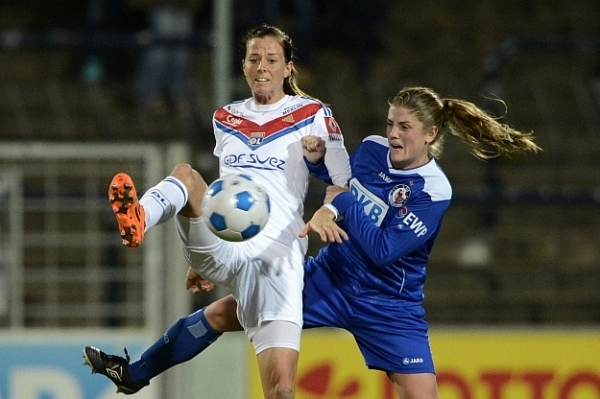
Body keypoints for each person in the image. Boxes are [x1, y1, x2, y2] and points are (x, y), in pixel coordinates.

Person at [84, 86, 540, 398]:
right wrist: (323, 173)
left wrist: (337, 205)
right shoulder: (372, 149)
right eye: (391, 123)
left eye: (404, 127)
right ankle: (134, 374)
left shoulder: (434, 192)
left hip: (389, 303)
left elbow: (382, 248)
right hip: (332, 274)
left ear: (430, 134)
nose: (394, 134)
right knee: (224, 312)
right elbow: (340, 186)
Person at [83, 24, 351, 399]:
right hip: (225, 241)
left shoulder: (313, 113)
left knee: (280, 388)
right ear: (242, 65)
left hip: (275, 258)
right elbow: (228, 188)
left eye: (272, 60)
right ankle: (139, 217)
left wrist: (328, 211)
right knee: (187, 176)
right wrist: (200, 239)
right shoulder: (226, 117)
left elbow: (341, 179)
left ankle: (135, 374)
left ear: (289, 68)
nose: (262, 67)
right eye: (254, 59)